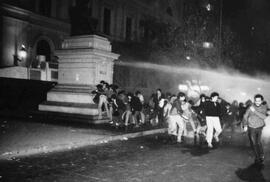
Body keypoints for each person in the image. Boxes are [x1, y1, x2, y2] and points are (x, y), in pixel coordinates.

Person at [243, 94, 268, 164]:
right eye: (256, 101)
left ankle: (262, 154)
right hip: (251, 127)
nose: (257, 102)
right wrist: (245, 125)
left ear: (261, 101)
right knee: (254, 143)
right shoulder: (251, 107)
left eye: (259, 101)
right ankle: (257, 157)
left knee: (258, 142)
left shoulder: (263, 107)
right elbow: (245, 116)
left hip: (259, 127)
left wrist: (254, 111)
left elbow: (264, 117)